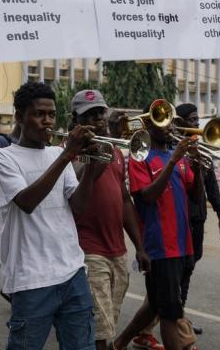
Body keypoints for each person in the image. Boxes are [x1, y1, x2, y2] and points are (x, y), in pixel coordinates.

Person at [0, 82, 101, 350]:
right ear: (19, 117)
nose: (47, 121)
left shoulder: (55, 153)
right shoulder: (3, 157)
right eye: (39, 114)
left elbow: (79, 206)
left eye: (51, 114)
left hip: (73, 272)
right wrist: (68, 155)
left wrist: (93, 167)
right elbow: (27, 202)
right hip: (31, 279)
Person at [111, 101, 203, 350]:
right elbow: (147, 196)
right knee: (170, 311)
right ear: (148, 124)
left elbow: (195, 195)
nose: (169, 125)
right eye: (162, 119)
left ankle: (118, 343)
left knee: (156, 302)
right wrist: (173, 161)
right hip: (161, 246)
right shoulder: (142, 157)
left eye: (172, 120)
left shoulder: (180, 156)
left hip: (184, 245)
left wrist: (196, 163)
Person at [69, 90, 151, 350]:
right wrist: (100, 152)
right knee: (101, 330)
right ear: (75, 119)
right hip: (88, 250)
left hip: (117, 250)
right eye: (89, 115)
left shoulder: (115, 150)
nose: (98, 120)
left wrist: (139, 246)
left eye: (100, 113)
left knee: (108, 323)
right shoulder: (69, 151)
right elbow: (78, 181)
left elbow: (124, 199)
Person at [173, 103, 220, 335]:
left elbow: (211, 184)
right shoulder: (173, 148)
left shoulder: (201, 148)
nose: (197, 125)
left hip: (197, 220)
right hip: (179, 220)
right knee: (177, 272)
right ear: (180, 123)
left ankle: (179, 316)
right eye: (193, 120)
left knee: (188, 268)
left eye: (198, 120)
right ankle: (175, 319)